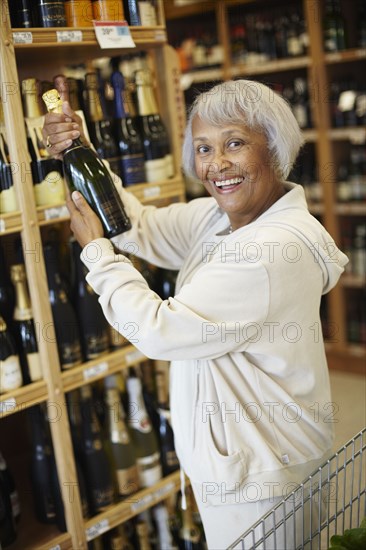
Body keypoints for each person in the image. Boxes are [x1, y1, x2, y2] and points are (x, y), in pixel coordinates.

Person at [43, 79, 348, 549]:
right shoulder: (223, 218)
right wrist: (82, 154)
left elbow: (157, 330)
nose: (217, 164)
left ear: (276, 149)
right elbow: (139, 226)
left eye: (235, 143)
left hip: (264, 481)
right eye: (204, 148)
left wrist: (98, 255)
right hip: (249, 464)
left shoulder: (269, 250)